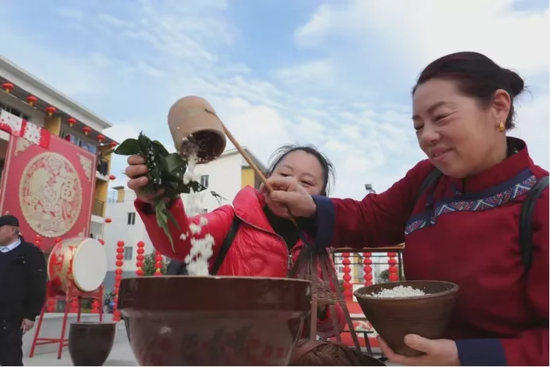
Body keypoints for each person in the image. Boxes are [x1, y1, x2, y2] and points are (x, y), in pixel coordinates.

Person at [264, 52, 549, 366]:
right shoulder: (427, 180)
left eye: (440, 117)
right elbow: (370, 218)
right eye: (418, 126)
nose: (427, 136)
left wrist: (465, 357)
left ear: (498, 106)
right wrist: (310, 207)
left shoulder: (540, 203)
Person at [125, 144, 346, 338]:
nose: (291, 185)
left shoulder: (317, 248)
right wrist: (159, 202)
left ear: (321, 198)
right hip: (220, 353)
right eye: (285, 175)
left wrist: (324, 307)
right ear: (267, 177)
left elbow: (335, 327)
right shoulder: (231, 220)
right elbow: (179, 241)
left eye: (306, 182)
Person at [0, 215, 47, 366]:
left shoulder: (30, 253)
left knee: (10, 355)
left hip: (14, 316)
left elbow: (37, 285)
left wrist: (30, 314)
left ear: (13, 230)